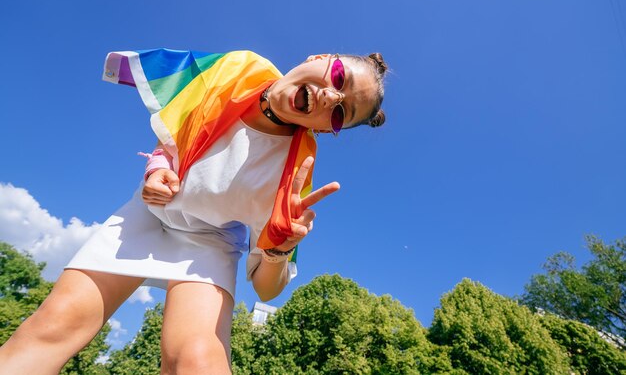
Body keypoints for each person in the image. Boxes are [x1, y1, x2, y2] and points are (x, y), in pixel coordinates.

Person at [0, 49, 387, 374]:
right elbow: (176, 133)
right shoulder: (238, 69)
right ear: (318, 58)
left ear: (323, 129)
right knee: (55, 326)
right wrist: (157, 169)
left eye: (341, 113)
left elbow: (266, 287)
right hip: (151, 215)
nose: (331, 98)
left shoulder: (294, 174)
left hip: (210, 242)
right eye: (339, 78)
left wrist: (279, 248)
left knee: (197, 360)